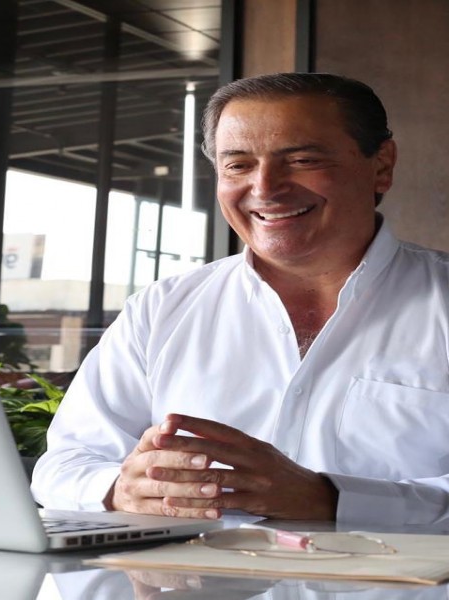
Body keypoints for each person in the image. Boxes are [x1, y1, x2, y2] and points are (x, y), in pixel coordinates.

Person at [31, 72, 449, 526]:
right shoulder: (160, 309)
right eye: (238, 165)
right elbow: (65, 464)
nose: (265, 187)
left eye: (303, 160)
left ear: (382, 165)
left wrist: (332, 500)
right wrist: (119, 490)